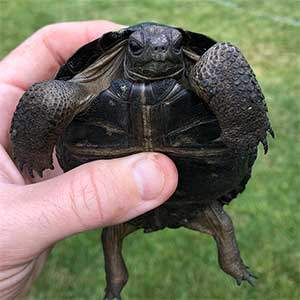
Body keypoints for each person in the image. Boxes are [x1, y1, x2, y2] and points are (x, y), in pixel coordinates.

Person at [0, 20, 178, 299]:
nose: (158, 52)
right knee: (48, 99)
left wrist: (243, 122)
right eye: (138, 48)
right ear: (128, 50)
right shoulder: (92, 79)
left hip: (195, 175)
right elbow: (48, 96)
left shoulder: (201, 68)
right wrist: (30, 149)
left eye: (174, 46)